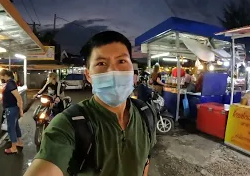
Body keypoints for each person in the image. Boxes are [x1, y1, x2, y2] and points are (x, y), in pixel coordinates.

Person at [24, 31, 156, 176]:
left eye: (121, 61)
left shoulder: (146, 113)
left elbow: (144, 162)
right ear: (88, 76)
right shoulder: (68, 125)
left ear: (132, 68)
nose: (113, 71)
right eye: (101, 63)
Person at [0, 69, 24, 154]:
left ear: (5, 75)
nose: (0, 77)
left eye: (0, 76)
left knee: (11, 128)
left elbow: (18, 98)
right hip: (12, 108)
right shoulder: (10, 83)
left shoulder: (10, 84)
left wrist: (21, 110)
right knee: (15, 126)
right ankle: (19, 142)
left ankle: (13, 148)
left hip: (11, 109)